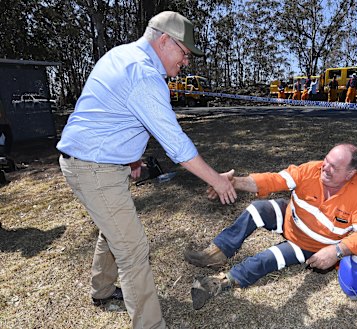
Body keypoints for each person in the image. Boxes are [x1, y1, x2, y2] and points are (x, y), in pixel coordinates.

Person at [56, 11, 236, 329]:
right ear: (164, 40)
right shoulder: (144, 75)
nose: (186, 62)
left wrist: (132, 157)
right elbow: (177, 146)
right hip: (94, 168)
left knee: (113, 229)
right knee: (134, 249)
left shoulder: (122, 55)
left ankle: (101, 289)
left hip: (91, 162)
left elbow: (110, 113)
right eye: (185, 52)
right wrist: (217, 180)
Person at [184, 143, 357, 310]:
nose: (325, 168)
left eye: (334, 167)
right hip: (291, 219)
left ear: (350, 174)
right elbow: (275, 179)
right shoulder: (311, 170)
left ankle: (222, 281)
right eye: (326, 161)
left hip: (309, 246)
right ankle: (216, 254)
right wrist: (234, 182)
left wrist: (336, 251)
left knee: (265, 259)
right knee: (257, 209)